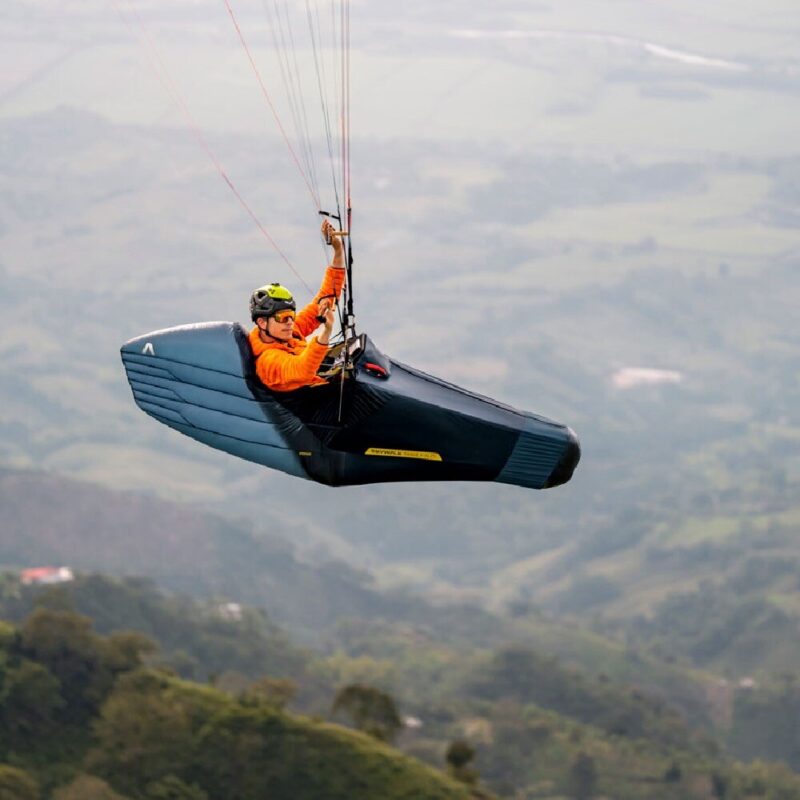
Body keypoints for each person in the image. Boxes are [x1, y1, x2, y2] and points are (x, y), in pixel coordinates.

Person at [248, 220, 345, 392]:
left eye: (291, 316)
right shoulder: (268, 361)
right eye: (283, 317)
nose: (290, 322)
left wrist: (338, 251)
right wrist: (326, 333)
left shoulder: (289, 332)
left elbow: (325, 298)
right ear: (262, 322)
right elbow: (302, 371)